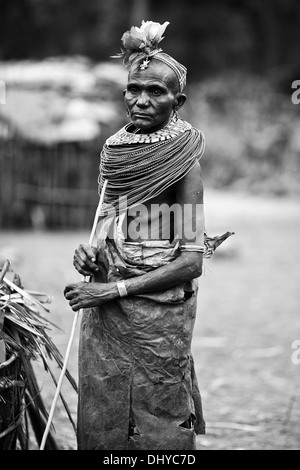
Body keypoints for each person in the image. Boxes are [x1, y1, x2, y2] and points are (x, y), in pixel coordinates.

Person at [64, 20, 232, 451]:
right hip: (104, 321)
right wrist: (90, 257)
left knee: (157, 422)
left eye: (155, 92)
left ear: (178, 101)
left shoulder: (183, 163)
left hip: (156, 323)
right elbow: (103, 232)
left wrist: (113, 290)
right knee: (102, 416)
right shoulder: (115, 153)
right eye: (133, 89)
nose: (140, 100)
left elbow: (191, 262)